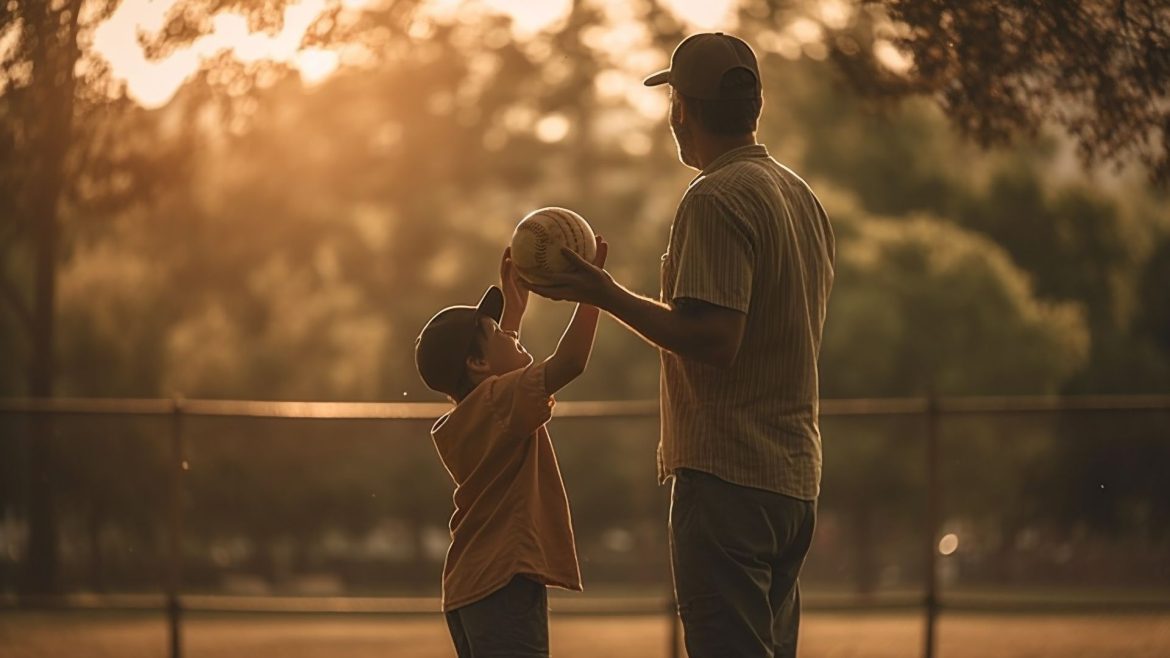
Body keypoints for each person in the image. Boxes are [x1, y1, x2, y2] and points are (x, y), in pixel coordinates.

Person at [522, 33, 835, 658]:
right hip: (792, 480)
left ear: (682, 111)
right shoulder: (800, 195)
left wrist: (601, 292)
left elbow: (715, 340)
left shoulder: (714, 197)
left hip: (728, 478)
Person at [413, 239, 607, 657]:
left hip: (473, 584)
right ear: (477, 364)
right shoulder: (499, 401)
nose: (509, 333)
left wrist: (514, 314)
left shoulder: (474, 411)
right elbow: (570, 362)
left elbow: (498, 371)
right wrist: (595, 295)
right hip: (503, 580)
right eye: (497, 331)